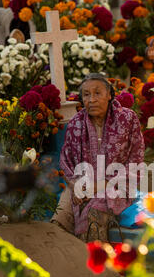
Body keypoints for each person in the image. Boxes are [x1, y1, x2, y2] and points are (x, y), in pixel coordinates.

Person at [50, 73, 145, 241]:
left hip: (115, 186)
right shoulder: (76, 123)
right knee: (59, 221)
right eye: (86, 95)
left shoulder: (128, 120)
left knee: (93, 215)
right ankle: (66, 265)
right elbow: (66, 161)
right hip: (80, 184)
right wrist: (75, 185)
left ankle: (94, 265)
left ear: (109, 95)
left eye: (97, 93)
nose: (91, 99)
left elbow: (135, 161)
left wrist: (99, 186)